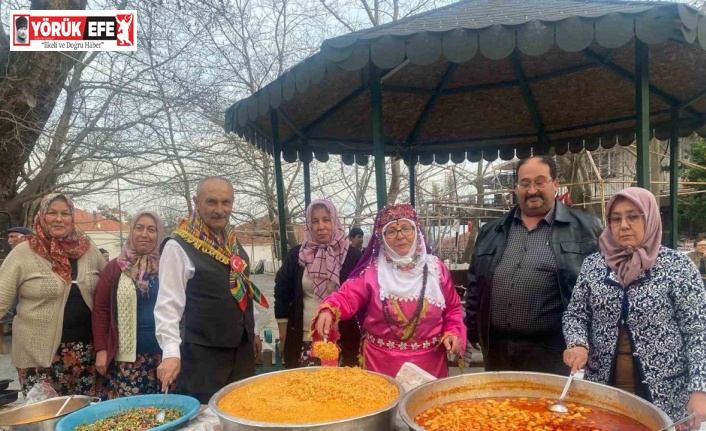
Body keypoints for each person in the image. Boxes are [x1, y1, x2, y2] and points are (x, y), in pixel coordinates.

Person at [563, 187, 706, 428]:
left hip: (665, 393)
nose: (624, 225)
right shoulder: (594, 266)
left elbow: (699, 332)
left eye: (633, 216)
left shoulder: (677, 267)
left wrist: (700, 389)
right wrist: (577, 343)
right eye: (615, 219)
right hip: (605, 389)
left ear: (650, 218)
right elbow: (576, 314)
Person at [466, 156, 602, 374]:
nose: (532, 191)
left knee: (548, 408)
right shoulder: (491, 231)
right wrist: (472, 329)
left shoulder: (586, 229)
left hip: (554, 352)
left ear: (555, 184)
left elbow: (599, 291)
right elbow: (475, 285)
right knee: (496, 407)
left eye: (540, 182)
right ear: (516, 188)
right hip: (497, 350)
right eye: (525, 183)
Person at [314, 203, 464, 378]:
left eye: (406, 228)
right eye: (391, 231)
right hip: (380, 367)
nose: (400, 236)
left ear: (417, 232)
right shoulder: (372, 272)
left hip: (430, 367)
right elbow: (346, 297)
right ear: (382, 237)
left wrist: (453, 331)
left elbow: (453, 310)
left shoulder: (436, 269)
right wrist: (328, 309)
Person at [155, 177, 268, 403]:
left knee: (242, 413)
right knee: (206, 420)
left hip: (242, 352)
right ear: (196, 203)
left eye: (226, 203)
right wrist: (170, 353)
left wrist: (253, 330)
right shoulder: (178, 246)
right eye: (211, 202)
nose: (220, 210)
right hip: (203, 356)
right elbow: (168, 305)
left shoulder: (232, 242)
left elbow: (242, 287)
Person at [0, 193, 106, 396]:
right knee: (46, 422)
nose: (59, 218)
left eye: (65, 213)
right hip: (37, 357)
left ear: (72, 217)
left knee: (84, 420)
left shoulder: (89, 250)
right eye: (52, 213)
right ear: (41, 216)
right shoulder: (23, 252)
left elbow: (111, 288)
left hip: (86, 355)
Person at [92, 210, 171, 398]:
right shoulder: (115, 268)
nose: (144, 234)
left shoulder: (169, 265)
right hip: (128, 359)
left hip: (166, 355)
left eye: (151, 230)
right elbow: (101, 311)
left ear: (159, 234)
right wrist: (101, 350)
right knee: (134, 416)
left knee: (168, 410)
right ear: (131, 231)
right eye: (139, 228)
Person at [275, 200, 361, 368]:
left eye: (326, 219)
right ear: (309, 225)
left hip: (343, 340)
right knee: (307, 390)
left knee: (343, 392)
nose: (321, 226)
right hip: (305, 339)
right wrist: (284, 336)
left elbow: (361, 296)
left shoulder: (352, 256)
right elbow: (282, 295)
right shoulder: (296, 256)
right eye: (315, 221)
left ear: (335, 221)